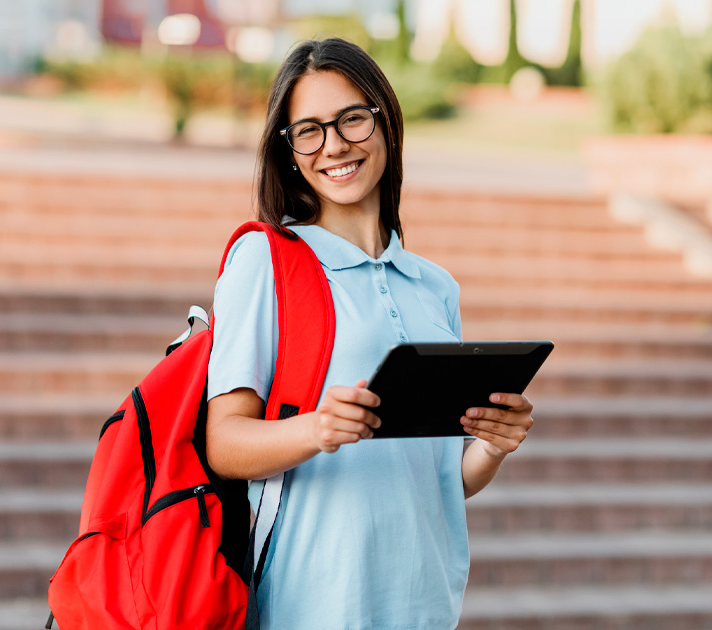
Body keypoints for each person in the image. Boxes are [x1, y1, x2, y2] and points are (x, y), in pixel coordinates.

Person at [206, 38, 534, 630]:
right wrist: (318, 429)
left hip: (424, 606)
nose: (333, 145)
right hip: (308, 607)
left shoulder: (435, 287)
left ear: (385, 119)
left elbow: (440, 481)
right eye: (308, 130)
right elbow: (224, 444)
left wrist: (490, 447)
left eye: (352, 119)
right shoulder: (266, 260)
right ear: (289, 150)